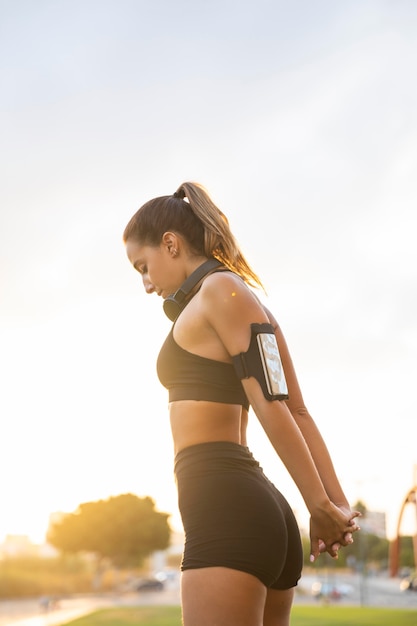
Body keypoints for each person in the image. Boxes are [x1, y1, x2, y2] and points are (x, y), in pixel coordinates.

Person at [123, 182, 360, 626]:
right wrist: (337, 505)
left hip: (226, 509)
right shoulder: (241, 300)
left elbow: (272, 404)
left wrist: (320, 505)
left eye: (144, 265)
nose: (146, 283)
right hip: (252, 506)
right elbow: (298, 410)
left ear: (170, 244)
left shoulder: (219, 292)